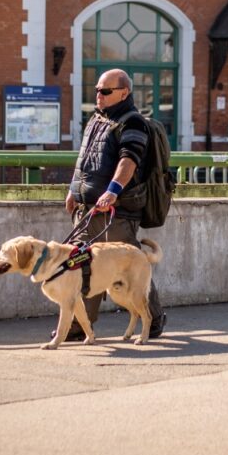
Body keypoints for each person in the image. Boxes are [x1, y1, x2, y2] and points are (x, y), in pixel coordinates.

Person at [64, 68, 166, 341]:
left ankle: (154, 318)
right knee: (81, 265)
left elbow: (128, 160)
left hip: (117, 212)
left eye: (105, 91)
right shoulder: (96, 119)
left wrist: (112, 191)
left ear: (124, 93)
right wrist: (73, 190)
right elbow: (84, 159)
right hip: (87, 209)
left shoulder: (133, 123)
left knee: (130, 267)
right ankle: (80, 325)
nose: (99, 95)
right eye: (97, 90)